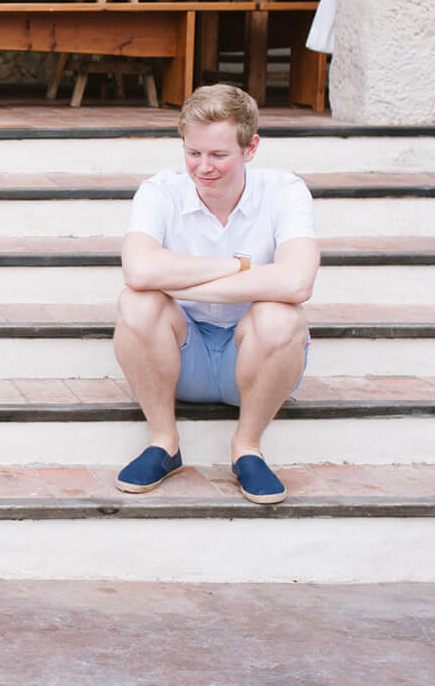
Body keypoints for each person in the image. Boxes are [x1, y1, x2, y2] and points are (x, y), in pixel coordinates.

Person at [112, 83, 319, 505]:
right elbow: (138, 271)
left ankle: (247, 448)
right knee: (137, 302)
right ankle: (163, 443)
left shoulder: (285, 191)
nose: (203, 167)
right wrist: (239, 267)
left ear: (251, 147)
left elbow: (298, 281)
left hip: (255, 359)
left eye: (219, 155)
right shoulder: (160, 191)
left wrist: (177, 278)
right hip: (180, 356)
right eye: (193, 153)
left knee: (281, 313)